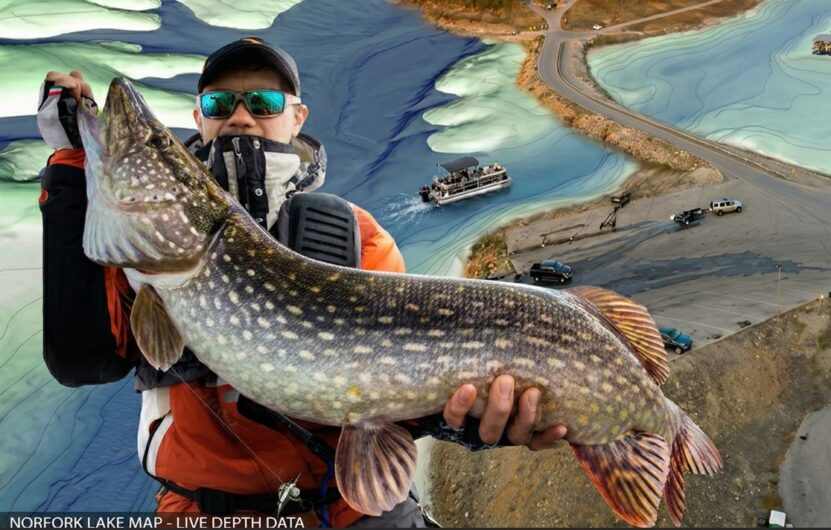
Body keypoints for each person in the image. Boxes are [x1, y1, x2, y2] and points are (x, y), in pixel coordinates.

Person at [37, 37, 566, 527]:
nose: (241, 117)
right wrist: (69, 164)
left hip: (342, 509)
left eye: (263, 103)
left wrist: (465, 424)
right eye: (221, 105)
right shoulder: (144, 259)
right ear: (199, 118)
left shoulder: (356, 237)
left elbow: (405, 386)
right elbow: (81, 359)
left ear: (296, 117)